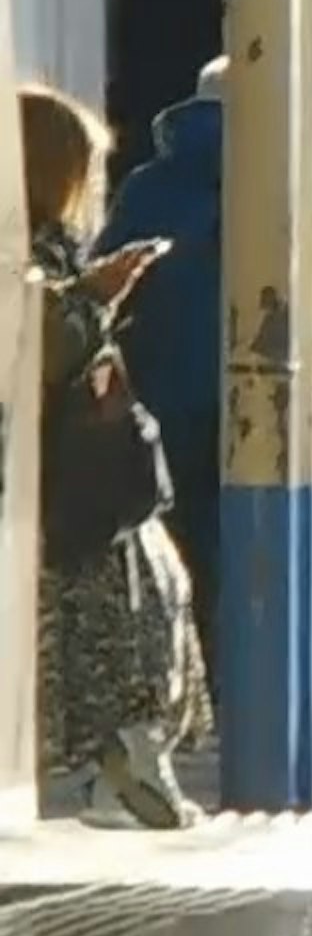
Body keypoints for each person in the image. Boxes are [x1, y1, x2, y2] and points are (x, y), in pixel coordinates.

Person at [26, 84, 206, 829]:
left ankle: (129, 754)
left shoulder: (45, 249)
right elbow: (36, 348)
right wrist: (94, 297)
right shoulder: (24, 253)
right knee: (127, 593)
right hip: (53, 478)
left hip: (75, 467)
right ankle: (122, 757)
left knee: (151, 585)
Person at [100, 55, 220, 604]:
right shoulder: (287, 181)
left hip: (162, 396)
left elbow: (108, 290)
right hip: (259, 401)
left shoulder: (147, 188)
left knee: (177, 547)